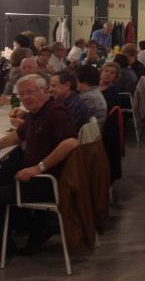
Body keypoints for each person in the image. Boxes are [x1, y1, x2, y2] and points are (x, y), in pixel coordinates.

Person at [0, 74, 78, 255]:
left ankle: (7, 247)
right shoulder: (36, 113)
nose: (26, 97)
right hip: (35, 178)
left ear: (45, 91)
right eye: (22, 94)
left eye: (30, 92)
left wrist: (38, 168)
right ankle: (34, 228)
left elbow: (70, 142)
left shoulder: (55, 112)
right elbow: (17, 136)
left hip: (47, 182)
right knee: (4, 175)